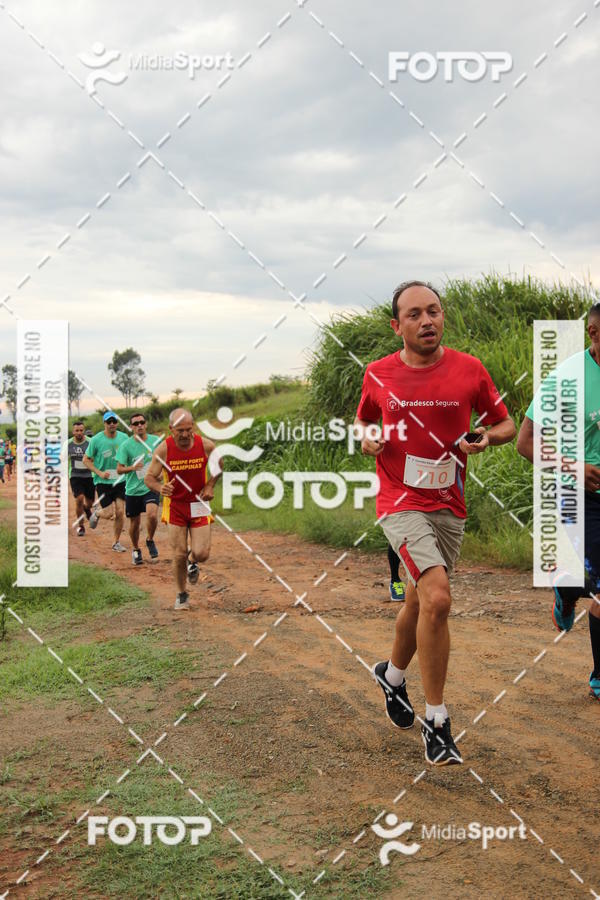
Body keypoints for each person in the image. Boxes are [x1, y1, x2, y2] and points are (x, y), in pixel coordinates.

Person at [356, 280, 515, 765]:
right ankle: (438, 720)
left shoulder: (469, 369)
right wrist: (368, 440)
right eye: (414, 314)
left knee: (424, 600)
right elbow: (363, 422)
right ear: (397, 325)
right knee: (440, 597)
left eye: (434, 311)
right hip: (400, 501)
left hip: (449, 503)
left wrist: (486, 438)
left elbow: (505, 423)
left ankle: (393, 675)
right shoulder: (378, 374)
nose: (427, 321)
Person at [517, 302, 600, 701]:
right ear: (593, 334)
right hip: (578, 495)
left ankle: (569, 587)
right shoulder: (567, 377)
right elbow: (526, 442)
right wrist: (573, 467)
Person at [144, 408, 220, 610]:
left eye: (188, 429)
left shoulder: (205, 445)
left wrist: (210, 485)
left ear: (192, 427)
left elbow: (219, 466)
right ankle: (182, 595)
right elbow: (149, 478)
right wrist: (161, 488)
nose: (185, 435)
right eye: (180, 431)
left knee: (202, 553)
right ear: (171, 429)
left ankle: (193, 561)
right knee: (178, 553)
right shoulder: (163, 450)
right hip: (175, 506)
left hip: (198, 504)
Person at [116, 413, 162, 565]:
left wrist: (161, 473)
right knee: (134, 524)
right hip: (133, 490)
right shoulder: (126, 446)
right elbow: (119, 470)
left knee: (152, 515)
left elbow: (165, 460)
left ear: (146, 424)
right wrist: (132, 468)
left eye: (142, 422)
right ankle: (136, 549)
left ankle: (150, 539)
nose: (139, 425)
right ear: (131, 427)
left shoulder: (156, 441)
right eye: (136, 424)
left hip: (151, 487)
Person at [83, 411, 129, 552]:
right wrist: (100, 473)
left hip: (120, 480)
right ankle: (97, 513)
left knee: (120, 512)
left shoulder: (124, 437)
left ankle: (116, 542)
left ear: (117, 423)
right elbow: (86, 460)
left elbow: (129, 455)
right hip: (103, 482)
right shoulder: (96, 440)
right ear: (104, 423)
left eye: (114, 421)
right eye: (108, 422)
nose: (111, 424)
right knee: (109, 513)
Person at [67, 420, 95, 536]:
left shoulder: (91, 442)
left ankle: (87, 509)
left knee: (89, 503)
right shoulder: (68, 444)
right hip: (75, 475)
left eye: (81, 430)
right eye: (76, 430)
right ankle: (81, 526)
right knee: (79, 499)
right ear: (73, 432)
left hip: (89, 475)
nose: (79, 433)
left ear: (84, 431)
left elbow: (97, 456)